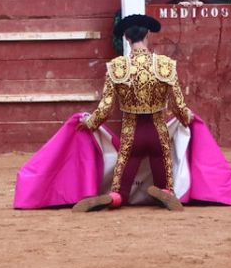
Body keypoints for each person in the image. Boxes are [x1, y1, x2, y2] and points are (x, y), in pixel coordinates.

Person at [72, 14, 196, 211]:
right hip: (158, 133)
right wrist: (187, 118)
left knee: (119, 189)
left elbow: (105, 109)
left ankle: (114, 198)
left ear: (127, 39)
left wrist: (90, 123)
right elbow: (177, 105)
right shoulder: (165, 65)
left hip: (131, 134)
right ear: (148, 35)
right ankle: (165, 193)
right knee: (165, 181)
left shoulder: (117, 67)